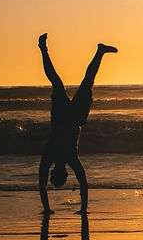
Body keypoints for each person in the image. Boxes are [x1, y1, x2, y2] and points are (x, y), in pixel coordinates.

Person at [38, 33, 117, 214]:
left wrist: (81, 208)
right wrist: (47, 208)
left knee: (83, 82)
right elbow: (42, 184)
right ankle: (45, 49)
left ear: (65, 174)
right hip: (64, 118)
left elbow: (82, 183)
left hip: (72, 119)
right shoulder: (55, 157)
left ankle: (99, 52)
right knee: (58, 82)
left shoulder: (67, 157)